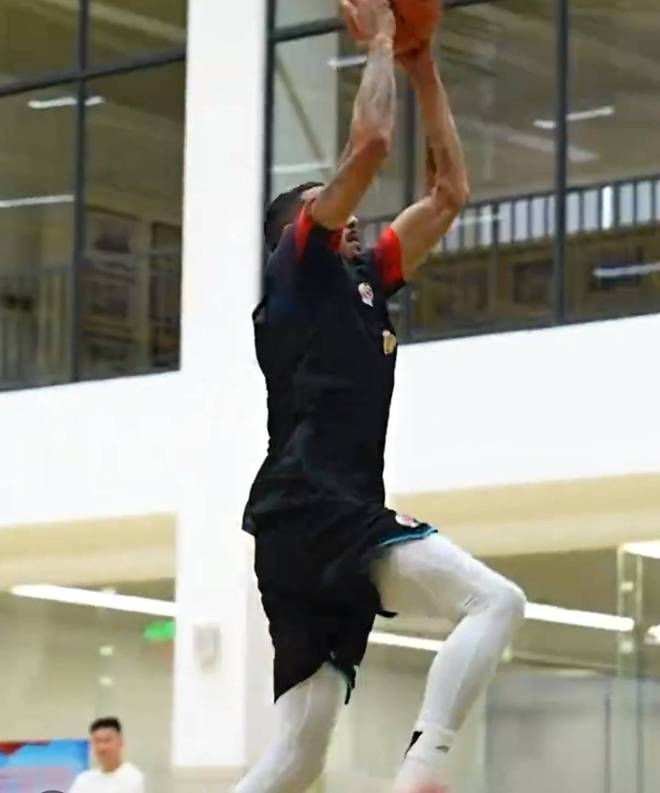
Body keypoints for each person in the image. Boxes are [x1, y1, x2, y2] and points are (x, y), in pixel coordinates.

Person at [238, 1, 526, 791]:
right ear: (297, 230)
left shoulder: (364, 280)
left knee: (297, 756)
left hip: (306, 528)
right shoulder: (296, 271)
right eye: (330, 206)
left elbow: (449, 193)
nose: (356, 215)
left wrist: (424, 67)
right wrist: (382, 43)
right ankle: (421, 770)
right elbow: (369, 144)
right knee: (495, 601)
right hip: (314, 505)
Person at [69, 718, 144, 793]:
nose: (102, 747)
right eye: (97, 741)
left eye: (107, 740)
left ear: (120, 742)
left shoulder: (132, 777)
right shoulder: (83, 779)